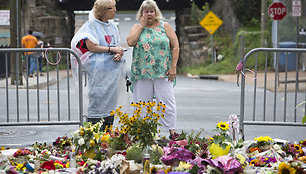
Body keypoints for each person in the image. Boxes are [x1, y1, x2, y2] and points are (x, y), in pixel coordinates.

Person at [126, 0, 180, 140]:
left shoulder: (165, 26)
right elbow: (130, 42)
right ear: (141, 13)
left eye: (151, 11)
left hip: (163, 72)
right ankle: (143, 132)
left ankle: (171, 132)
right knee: (142, 104)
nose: (149, 14)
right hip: (142, 73)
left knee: (167, 103)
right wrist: (141, 26)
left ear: (156, 12)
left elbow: (175, 46)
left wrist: (173, 67)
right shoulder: (137, 27)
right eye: (146, 11)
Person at [70, 0, 126, 131]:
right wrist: (111, 50)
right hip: (97, 71)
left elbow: (117, 46)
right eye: (111, 8)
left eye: (114, 7)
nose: (115, 10)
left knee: (111, 103)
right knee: (97, 100)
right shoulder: (90, 25)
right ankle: (93, 134)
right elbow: (91, 46)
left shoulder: (113, 26)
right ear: (102, 11)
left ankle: (107, 133)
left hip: (113, 71)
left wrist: (119, 53)